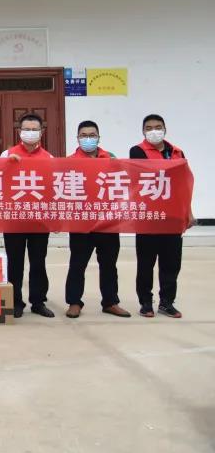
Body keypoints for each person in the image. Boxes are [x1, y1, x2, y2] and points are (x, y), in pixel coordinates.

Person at [130, 114, 194, 319]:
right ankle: (145, 302)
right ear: (143, 131)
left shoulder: (177, 152)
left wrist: (188, 212)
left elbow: (183, 185)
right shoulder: (137, 151)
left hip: (172, 217)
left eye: (158, 127)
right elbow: (145, 176)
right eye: (149, 128)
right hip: (148, 217)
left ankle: (167, 302)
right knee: (145, 264)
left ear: (165, 129)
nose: (154, 131)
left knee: (171, 264)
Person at [64, 121, 130, 319]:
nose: (88, 139)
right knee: (77, 264)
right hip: (81, 222)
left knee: (109, 264)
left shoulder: (111, 158)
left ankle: (110, 302)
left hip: (107, 222)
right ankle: (74, 302)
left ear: (99, 137)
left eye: (92, 135)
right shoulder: (69, 161)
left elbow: (122, 185)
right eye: (84, 135)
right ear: (77, 138)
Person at [0, 113, 54, 318]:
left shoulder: (49, 158)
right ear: (19, 131)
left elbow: (52, 188)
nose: (30, 133)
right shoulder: (7, 154)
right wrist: (7, 166)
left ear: (42, 132)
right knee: (14, 262)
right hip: (14, 218)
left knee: (38, 262)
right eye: (26, 129)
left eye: (34, 129)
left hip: (39, 219)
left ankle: (38, 302)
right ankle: (15, 301)